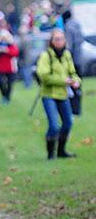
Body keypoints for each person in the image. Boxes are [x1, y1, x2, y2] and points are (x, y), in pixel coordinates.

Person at [36, 29, 81, 159]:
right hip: (49, 95)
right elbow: (43, 75)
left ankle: (61, 151)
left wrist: (76, 81)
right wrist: (63, 81)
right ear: (51, 41)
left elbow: (73, 72)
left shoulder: (67, 54)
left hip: (63, 95)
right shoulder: (46, 56)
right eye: (56, 39)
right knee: (54, 126)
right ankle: (51, 154)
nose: (59, 41)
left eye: (61, 38)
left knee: (68, 123)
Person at [0, 30, 19, 104]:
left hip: (10, 68)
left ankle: (8, 97)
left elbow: (15, 53)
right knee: (1, 83)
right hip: (0, 67)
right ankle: (3, 96)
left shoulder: (11, 45)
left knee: (10, 83)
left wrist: (7, 51)